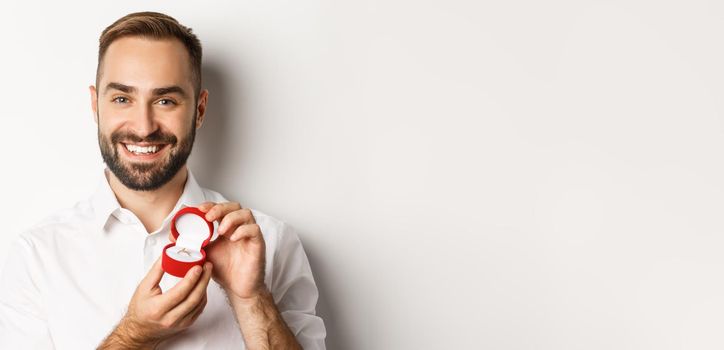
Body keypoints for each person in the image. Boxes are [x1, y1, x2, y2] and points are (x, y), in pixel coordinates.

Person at [0, 11, 326, 349]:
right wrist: (134, 336)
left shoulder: (271, 244)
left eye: (165, 100)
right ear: (96, 105)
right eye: (122, 98)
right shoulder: (37, 258)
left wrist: (251, 299)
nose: (143, 127)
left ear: (199, 110)